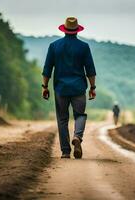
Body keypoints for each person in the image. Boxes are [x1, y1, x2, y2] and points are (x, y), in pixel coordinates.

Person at [41, 17, 96, 159]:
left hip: (61, 89)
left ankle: (65, 151)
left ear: (64, 30)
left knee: (62, 119)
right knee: (80, 115)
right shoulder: (84, 47)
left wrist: (45, 86)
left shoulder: (54, 46)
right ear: (77, 30)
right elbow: (90, 69)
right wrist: (92, 87)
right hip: (78, 88)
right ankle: (77, 137)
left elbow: (47, 69)